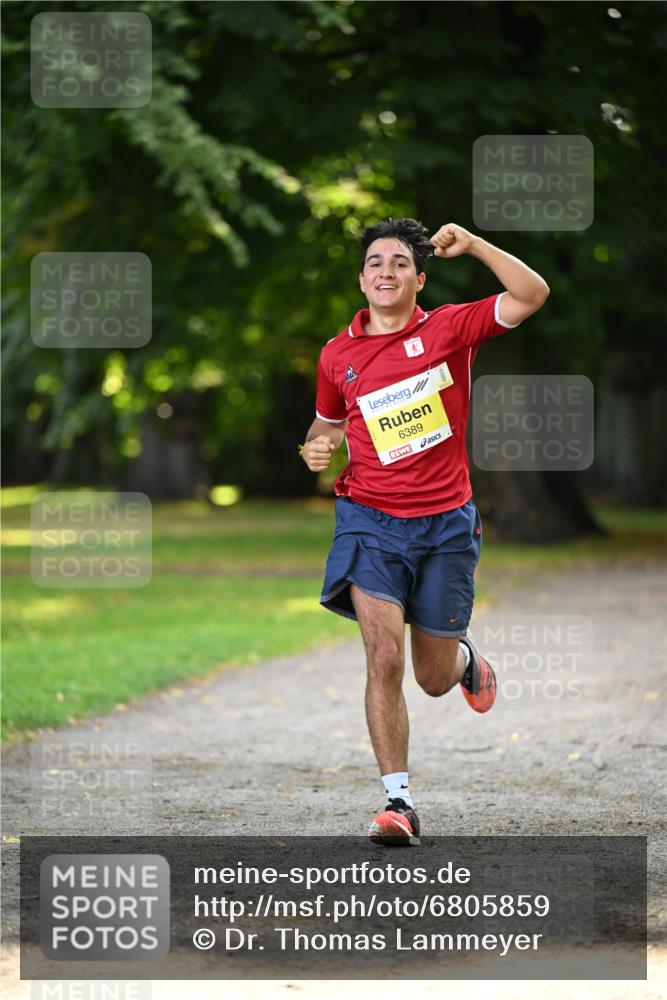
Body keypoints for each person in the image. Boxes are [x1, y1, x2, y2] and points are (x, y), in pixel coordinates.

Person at [300, 219, 549, 845]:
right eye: (376, 262)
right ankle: (398, 803)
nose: (387, 270)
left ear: (419, 278)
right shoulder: (338, 354)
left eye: (401, 263)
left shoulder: (448, 330)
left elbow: (531, 294)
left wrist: (478, 246)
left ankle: (464, 660)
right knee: (383, 656)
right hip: (369, 521)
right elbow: (327, 424)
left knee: (431, 678)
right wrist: (316, 447)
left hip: (445, 525)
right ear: (362, 279)